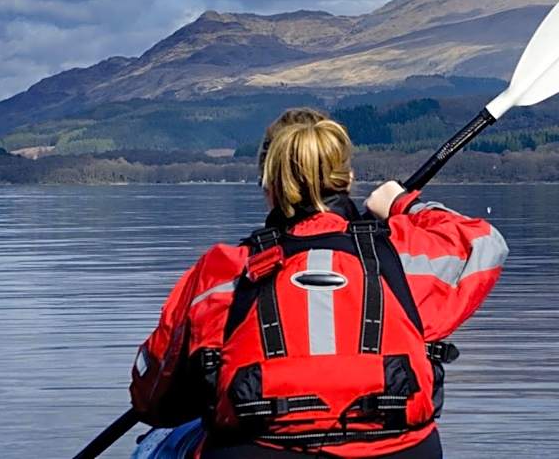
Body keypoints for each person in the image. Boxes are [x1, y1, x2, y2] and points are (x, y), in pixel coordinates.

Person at [130, 108, 508, 458]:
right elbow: (486, 244)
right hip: (399, 451)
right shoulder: (403, 258)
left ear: (268, 183)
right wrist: (401, 203)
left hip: (260, 449)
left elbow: (152, 398)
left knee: (159, 442)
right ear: (349, 177)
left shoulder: (224, 270)